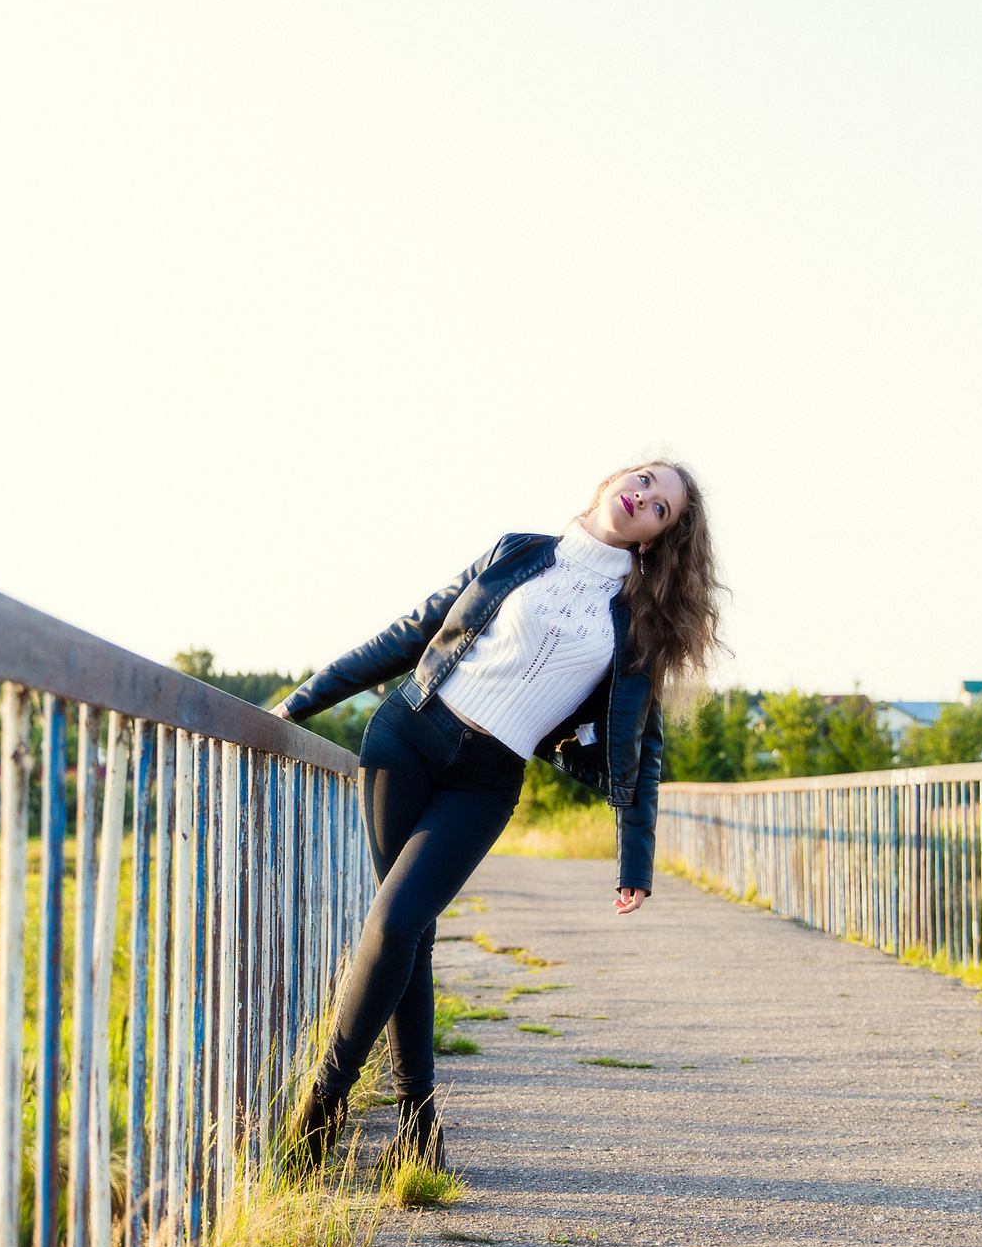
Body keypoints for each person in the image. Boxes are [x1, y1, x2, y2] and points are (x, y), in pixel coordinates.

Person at [273, 459, 724, 1173]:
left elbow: (642, 747)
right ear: (613, 481)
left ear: (654, 539)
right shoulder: (517, 549)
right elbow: (411, 631)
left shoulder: (637, 624)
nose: (643, 495)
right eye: (642, 480)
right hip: (406, 738)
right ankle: (417, 1126)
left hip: (485, 782)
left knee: (395, 923)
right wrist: (301, 701)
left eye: (661, 507)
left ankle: (323, 1105)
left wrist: (635, 856)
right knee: (406, 932)